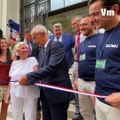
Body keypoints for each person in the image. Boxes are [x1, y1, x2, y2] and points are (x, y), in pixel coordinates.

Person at [19, 24, 75, 120]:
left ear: (43, 34)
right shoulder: (41, 51)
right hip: (45, 95)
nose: (35, 42)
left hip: (57, 93)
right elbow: (40, 70)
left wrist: (28, 77)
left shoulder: (56, 45)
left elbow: (51, 67)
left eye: (35, 38)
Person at [89, 0, 120, 120]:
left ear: (114, 9)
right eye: (90, 15)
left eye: (96, 14)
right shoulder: (102, 36)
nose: (92, 19)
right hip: (100, 100)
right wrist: (96, 93)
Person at [76, 15, 103, 120]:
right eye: (80, 25)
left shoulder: (101, 39)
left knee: (100, 111)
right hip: (82, 82)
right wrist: (76, 79)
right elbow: (78, 61)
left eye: (85, 24)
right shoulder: (82, 43)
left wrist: (100, 81)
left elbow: (103, 62)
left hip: (95, 83)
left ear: (93, 25)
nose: (81, 27)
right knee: (85, 112)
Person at [9, 42, 40, 120]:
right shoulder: (14, 63)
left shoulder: (33, 60)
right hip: (15, 92)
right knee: (16, 114)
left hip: (30, 90)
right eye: (23, 48)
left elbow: (36, 74)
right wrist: (8, 93)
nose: (26, 50)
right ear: (18, 51)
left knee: (30, 115)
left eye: (27, 48)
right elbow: (11, 79)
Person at [71, 16, 84, 120]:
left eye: (74, 24)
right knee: (75, 88)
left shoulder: (87, 34)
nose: (73, 26)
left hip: (85, 64)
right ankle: (77, 112)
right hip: (76, 63)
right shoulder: (77, 36)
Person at [0, 38, 15, 120]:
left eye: (5, 42)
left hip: (8, 87)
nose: (3, 44)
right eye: (1, 43)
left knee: (4, 109)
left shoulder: (12, 57)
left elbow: (15, 71)